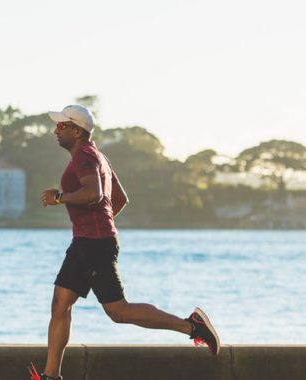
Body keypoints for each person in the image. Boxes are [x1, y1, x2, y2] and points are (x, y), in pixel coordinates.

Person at [29, 105, 220, 380]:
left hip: (94, 244)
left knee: (118, 311)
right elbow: (118, 199)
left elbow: (95, 194)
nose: (55, 130)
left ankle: (192, 326)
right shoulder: (97, 156)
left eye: (61, 126)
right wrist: (98, 223)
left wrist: (59, 198)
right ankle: (50, 376)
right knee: (60, 303)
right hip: (87, 242)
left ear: (77, 130)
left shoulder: (84, 156)